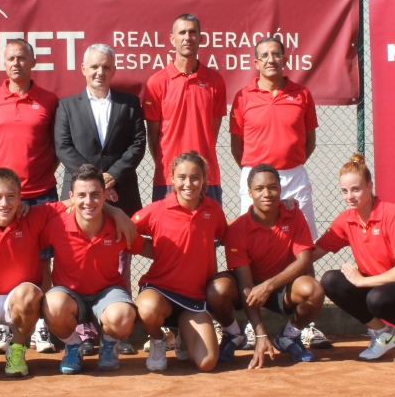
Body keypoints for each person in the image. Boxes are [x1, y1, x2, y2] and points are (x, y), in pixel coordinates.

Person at [0, 168, 135, 379]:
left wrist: (115, 211)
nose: (4, 203)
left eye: (11, 196)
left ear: (20, 198)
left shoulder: (35, 215)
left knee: (30, 292)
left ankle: (17, 349)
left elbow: (77, 202)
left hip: (18, 301)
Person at [228, 36, 332, 351]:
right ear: (256, 62)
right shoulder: (243, 96)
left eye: (276, 54)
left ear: (285, 59)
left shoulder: (302, 94)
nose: (270, 59)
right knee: (254, 246)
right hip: (256, 178)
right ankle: (252, 325)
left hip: (293, 176)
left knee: (304, 247)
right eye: (264, 55)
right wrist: (257, 178)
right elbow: (237, 146)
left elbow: (309, 141)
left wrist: (287, 168)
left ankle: (307, 326)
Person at [54, 42, 146, 356]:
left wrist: (113, 177)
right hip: (82, 195)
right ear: (83, 69)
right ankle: (84, 333)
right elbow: (63, 147)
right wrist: (95, 181)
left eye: (106, 67)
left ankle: (115, 333)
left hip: (122, 191)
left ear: (114, 70)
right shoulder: (66, 106)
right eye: (94, 66)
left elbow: (137, 146)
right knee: (79, 260)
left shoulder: (130, 104)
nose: (100, 72)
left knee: (120, 260)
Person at [312, 153, 395, 365]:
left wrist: (362, 282)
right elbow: (312, 253)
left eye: (356, 189)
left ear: (370, 186)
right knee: (330, 280)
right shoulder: (346, 220)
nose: (350, 196)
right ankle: (383, 334)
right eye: (344, 191)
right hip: (380, 289)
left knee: (377, 298)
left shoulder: (392, 214)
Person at [0, 38, 60, 355]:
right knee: (5, 262)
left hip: (41, 194)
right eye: (11, 58)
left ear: (33, 62)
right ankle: (3, 327)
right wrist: (5, 188)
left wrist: (33, 182)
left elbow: (55, 149)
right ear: (4, 63)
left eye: (22, 58)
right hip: (4, 199)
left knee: (43, 264)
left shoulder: (49, 100)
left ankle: (40, 327)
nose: (16, 63)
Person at [206, 164, 325, 367]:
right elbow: (245, 283)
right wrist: (260, 335)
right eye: (259, 189)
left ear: (280, 188)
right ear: (250, 192)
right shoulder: (236, 229)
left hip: (283, 287)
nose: (267, 194)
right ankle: (233, 334)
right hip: (249, 288)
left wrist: (269, 285)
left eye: (273, 187)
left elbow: (304, 261)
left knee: (313, 289)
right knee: (217, 290)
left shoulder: (294, 214)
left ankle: (289, 336)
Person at [40, 165, 144, 374]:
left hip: (107, 293)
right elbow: (28, 243)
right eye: (82, 195)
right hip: (69, 295)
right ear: (71, 196)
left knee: (123, 317)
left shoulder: (120, 226)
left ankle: (108, 344)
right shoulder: (55, 225)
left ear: (105, 195)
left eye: (96, 195)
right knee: (52, 306)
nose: (88, 202)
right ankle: (73, 345)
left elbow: (147, 248)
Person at [132, 151, 227, 372]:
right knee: (146, 309)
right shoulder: (157, 209)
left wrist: (277, 209)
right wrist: (156, 251)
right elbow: (126, 231)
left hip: (193, 300)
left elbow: (231, 235)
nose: (188, 183)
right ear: (172, 178)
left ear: (204, 179)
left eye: (195, 177)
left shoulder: (213, 210)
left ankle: (183, 335)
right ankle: (158, 340)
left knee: (207, 363)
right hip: (160, 292)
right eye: (182, 177)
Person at [141, 14, 226, 204]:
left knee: (208, 233)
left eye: (193, 32)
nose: (187, 37)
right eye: (182, 32)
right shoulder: (156, 82)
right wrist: (171, 168)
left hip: (207, 178)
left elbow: (212, 132)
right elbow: (153, 136)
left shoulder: (215, 81)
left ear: (201, 39)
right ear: (173, 39)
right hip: (168, 179)